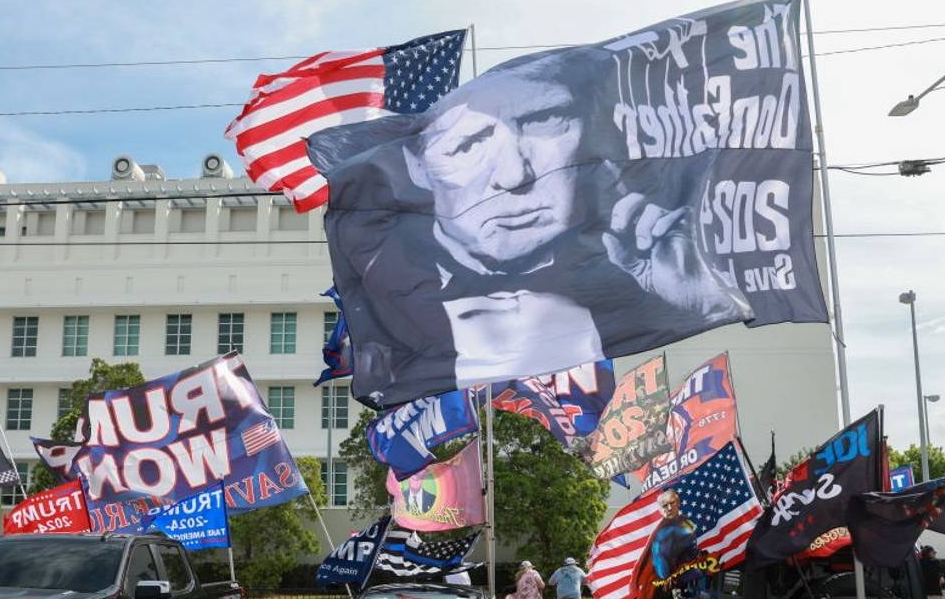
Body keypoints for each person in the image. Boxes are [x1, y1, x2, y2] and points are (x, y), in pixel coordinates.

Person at [314, 49, 752, 407]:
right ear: (419, 167)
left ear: (584, 130)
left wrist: (705, 299)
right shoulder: (397, 303)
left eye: (543, 122)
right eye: (468, 144)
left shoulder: (648, 262)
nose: (516, 175)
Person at [634, 488, 699, 599]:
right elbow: (659, 555)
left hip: (688, 577)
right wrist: (666, 579)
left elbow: (692, 538)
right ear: (660, 509)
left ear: (678, 503)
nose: (669, 508)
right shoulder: (660, 531)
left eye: (671, 503)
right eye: (665, 506)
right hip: (664, 583)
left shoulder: (687, 523)